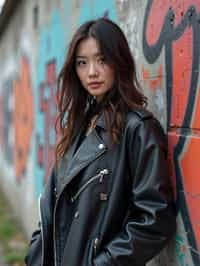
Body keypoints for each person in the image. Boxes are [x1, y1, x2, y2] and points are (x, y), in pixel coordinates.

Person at [25, 17, 176, 266]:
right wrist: (37, 251)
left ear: (119, 61)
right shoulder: (78, 126)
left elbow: (155, 218)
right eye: (82, 63)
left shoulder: (138, 128)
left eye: (102, 59)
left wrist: (101, 264)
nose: (92, 72)